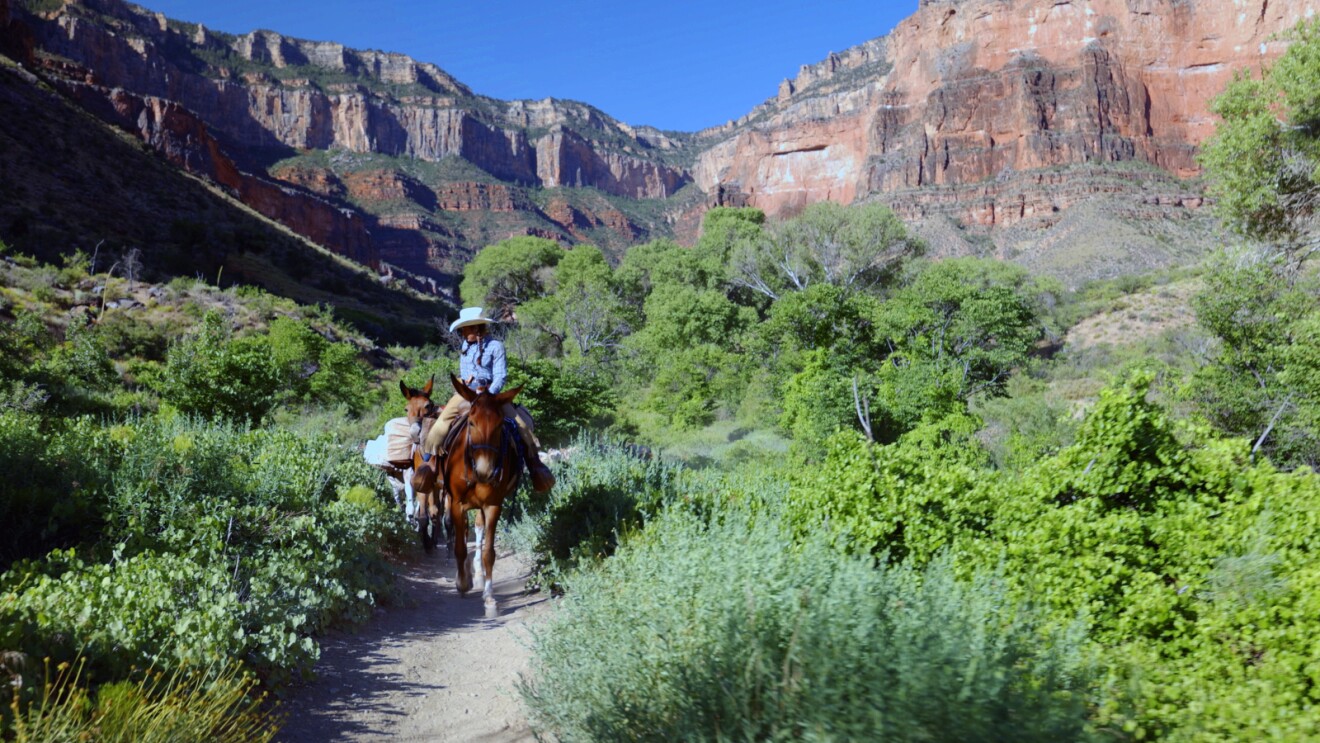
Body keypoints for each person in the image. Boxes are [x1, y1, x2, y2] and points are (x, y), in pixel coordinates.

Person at [422, 307, 555, 493]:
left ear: (476, 328)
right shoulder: (465, 347)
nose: (462, 333)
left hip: (491, 394)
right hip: (466, 393)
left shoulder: (496, 346)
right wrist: (466, 385)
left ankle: (535, 466)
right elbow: (465, 373)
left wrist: (488, 396)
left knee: (520, 425)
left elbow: (500, 376)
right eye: (461, 330)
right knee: (442, 421)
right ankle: (429, 465)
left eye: (465, 329)